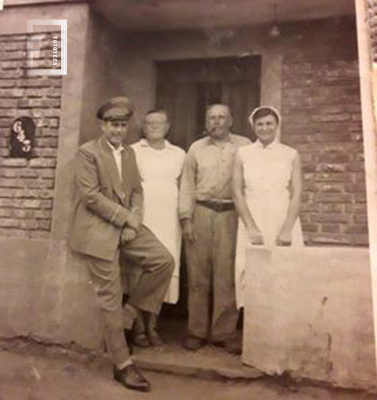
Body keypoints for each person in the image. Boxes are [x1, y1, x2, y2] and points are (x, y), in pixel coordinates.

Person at [68, 96, 174, 393]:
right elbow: (91, 197)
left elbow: (138, 190)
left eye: (123, 125)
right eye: (113, 125)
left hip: (125, 226)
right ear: (103, 126)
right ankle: (122, 365)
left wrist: (135, 219)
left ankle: (129, 316)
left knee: (164, 261)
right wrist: (126, 218)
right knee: (110, 297)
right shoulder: (87, 153)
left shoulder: (128, 153)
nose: (118, 130)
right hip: (97, 230)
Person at [179, 103, 251, 353]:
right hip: (201, 211)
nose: (216, 122)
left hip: (231, 215)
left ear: (231, 120)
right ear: (206, 121)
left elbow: (250, 182)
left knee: (226, 275)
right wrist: (186, 219)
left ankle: (223, 333)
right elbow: (187, 185)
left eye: (221, 117)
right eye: (211, 118)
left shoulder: (244, 146)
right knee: (198, 276)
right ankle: (196, 331)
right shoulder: (196, 148)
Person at [232, 106, 304, 308]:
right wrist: (251, 227)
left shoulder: (290, 154)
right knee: (251, 270)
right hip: (252, 216)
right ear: (253, 127)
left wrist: (287, 228)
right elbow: (237, 192)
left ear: (277, 125)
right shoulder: (242, 153)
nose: (264, 128)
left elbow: (297, 192)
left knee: (285, 270)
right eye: (260, 124)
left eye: (269, 123)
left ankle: (284, 328)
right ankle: (256, 329)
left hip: (282, 216)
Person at [127, 109, 185, 347]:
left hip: (169, 219)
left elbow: (184, 187)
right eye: (150, 123)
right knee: (140, 270)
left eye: (159, 123)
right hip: (143, 216)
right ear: (143, 126)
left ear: (167, 126)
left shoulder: (179, 153)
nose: (154, 126)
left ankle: (153, 325)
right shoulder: (133, 151)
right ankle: (138, 327)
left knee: (164, 269)